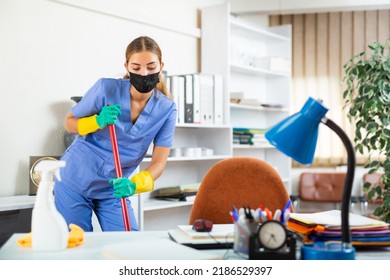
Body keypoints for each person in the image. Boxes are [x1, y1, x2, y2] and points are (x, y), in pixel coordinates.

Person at [54, 36, 176, 232]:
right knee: (78, 245)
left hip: (114, 188)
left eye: (151, 67)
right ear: (127, 66)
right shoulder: (106, 88)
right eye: (136, 68)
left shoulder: (167, 109)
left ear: (161, 66)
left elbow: (159, 163)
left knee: (127, 245)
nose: (144, 73)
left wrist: (135, 185)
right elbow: (69, 123)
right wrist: (97, 121)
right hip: (75, 179)